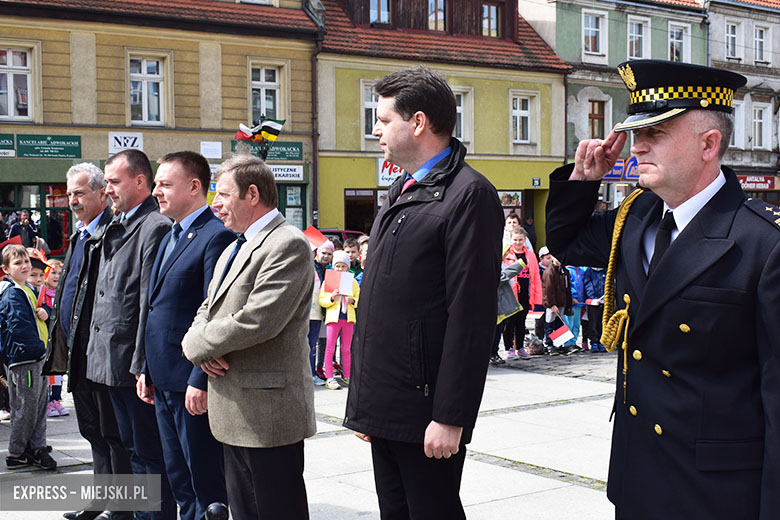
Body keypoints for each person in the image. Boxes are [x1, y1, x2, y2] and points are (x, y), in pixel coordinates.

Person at [545, 59, 780, 519]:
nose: (638, 147)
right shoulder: (637, 218)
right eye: (636, 134)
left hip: (716, 491)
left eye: (656, 133)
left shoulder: (762, 242)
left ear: (708, 144)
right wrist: (584, 181)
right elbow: (567, 243)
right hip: (639, 477)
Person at [345, 66, 503, 519]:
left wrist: (451, 415)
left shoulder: (468, 194)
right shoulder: (402, 188)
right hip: (390, 404)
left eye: (383, 119)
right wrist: (366, 406)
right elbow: (383, 303)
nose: (375, 129)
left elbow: (470, 315)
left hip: (427, 408)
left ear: (417, 122)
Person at [182, 154, 315, 520]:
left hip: (268, 415)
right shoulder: (233, 246)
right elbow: (207, 309)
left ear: (252, 194)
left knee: (276, 510)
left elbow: (258, 320)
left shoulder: (287, 243)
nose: (215, 204)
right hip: (235, 410)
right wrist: (202, 346)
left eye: (223, 194)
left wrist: (197, 346)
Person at [136, 151, 234, 520]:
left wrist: (200, 378)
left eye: (164, 184)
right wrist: (147, 368)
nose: (156, 192)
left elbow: (214, 311)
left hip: (190, 381)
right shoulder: (169, 235)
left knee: (203, 482)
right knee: (178, 477)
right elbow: (157, 308)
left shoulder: (215, 235)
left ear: (194, 187)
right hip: (162, 378)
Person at [87, 149, 174, 520]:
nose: (107, 189)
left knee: (147, 454)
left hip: (130, 363)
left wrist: (142, 365)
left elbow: (145, 304)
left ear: (141, 182)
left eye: (113, 181)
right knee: (128, 447)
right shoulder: (117, 223)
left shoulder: (153, 226)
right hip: (109, 359)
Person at [44, 162, 133, 520]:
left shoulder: (113, 233)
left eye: (80, 192)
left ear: (101, 193)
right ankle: (100, 500)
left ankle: (122, 508)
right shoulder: (81, 234)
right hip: (77, 353)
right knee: (93, 431)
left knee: (114, 433)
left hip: (102, 353)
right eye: (70, 193)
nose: (73, 200)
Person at [0, 245, 56, 470]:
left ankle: (36, 445)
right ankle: (16, 451)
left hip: (37, 357)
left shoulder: (28, 290)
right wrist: (37, 350)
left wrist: (46, 312)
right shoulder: (11, 294)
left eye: (26, 262)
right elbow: (19, 326)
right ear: (5, 269)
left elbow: (41, 313)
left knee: (39, 405)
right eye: (18, 263)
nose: (24, 266)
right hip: (25, 359)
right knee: (26, 407)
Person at [318, 250, 359, 390]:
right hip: (333, 319)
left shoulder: (353, 282)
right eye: (337, 266)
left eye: (343, 266)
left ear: (347, 267)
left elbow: (359, 299)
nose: (340, 269)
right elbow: (322, 300)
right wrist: (331, 297)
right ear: (333, 267)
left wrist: (353, 300)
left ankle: (347, 375)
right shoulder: (328, 281)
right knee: (330, 348)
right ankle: (329, 376)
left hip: (348, 318)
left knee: (346, 348)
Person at [501, 227, 541, 359]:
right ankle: (508, 348)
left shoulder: (530, 254)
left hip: (525, 292)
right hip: (511, 292)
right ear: (511, 240)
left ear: (525, 240)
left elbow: (535, 276)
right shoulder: (507, 254)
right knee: (509, 322)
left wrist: (536, 297)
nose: (518, 242)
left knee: (521, 321)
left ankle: (520, 347)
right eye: (515, 240)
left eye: (521, 240)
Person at [541, 256, 572, 355]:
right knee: (550, 323)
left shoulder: (564, 271)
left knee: (560, 324)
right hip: (553, 303)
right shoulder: (549, 272)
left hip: (562, 301)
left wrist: (568, 303)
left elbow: (567, 288)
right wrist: (552, 304)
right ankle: (549, 344)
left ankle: (559, 344)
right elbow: (548, 290)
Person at [583, 267, 606, 352]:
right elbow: (588, 284)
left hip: (604, 300)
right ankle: (594, 342)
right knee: (593, 322)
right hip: (592, 301)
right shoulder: (589, 271)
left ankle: (602, 341)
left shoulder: (605, 270)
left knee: (603, 322)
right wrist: (592, 297)